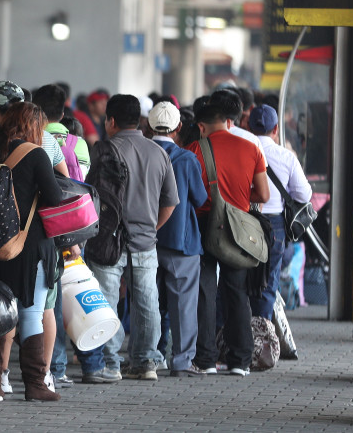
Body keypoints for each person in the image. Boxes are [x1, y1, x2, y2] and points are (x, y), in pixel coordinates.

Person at [0, 103, 64, 402]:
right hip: (28, 245)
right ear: (33, 127)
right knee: (31, 313)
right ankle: (35, 384)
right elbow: (54, 198)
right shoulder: (36, 154)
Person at [81, 94, 178, 383]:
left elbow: (90, 195)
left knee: (106, 302)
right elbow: (170, 202)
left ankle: (110, 363)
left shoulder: (104, 150)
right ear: (140, 120)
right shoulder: (159, 153)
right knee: (147, 302)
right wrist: (152, 228)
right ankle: (146, 361)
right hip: (145, 241)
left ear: (111, 121)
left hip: (108, 240)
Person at [187, 92, 269, 377]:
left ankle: (206, 360)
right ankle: (240, 361)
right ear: (229, 122)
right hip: (238, 227)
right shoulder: (251, 148)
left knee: (205, 292)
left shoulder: (195, 149)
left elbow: (192, 193)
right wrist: (241, 199)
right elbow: (264, 194)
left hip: (204, 224)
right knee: (236, 292)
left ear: (202, 126)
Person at [148, 101, 207, 377]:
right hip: (180, 241)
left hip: (145, 239)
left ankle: (148, 357)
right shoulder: (186, 159)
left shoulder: (142, 153)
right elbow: (200, 198)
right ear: (179, 127)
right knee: (183, 304)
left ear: (149, 125)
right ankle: (182, 361)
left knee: (148, 301)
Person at [248, 104, 312, 320]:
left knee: (241, 280)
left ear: (249, 127)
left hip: (244, 221)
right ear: (276, 129)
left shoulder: (242, 152)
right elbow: (304, 194)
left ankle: (241, 334)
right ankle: (262, 331)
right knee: (268, 283)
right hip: (274, 226)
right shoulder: (286, 157)